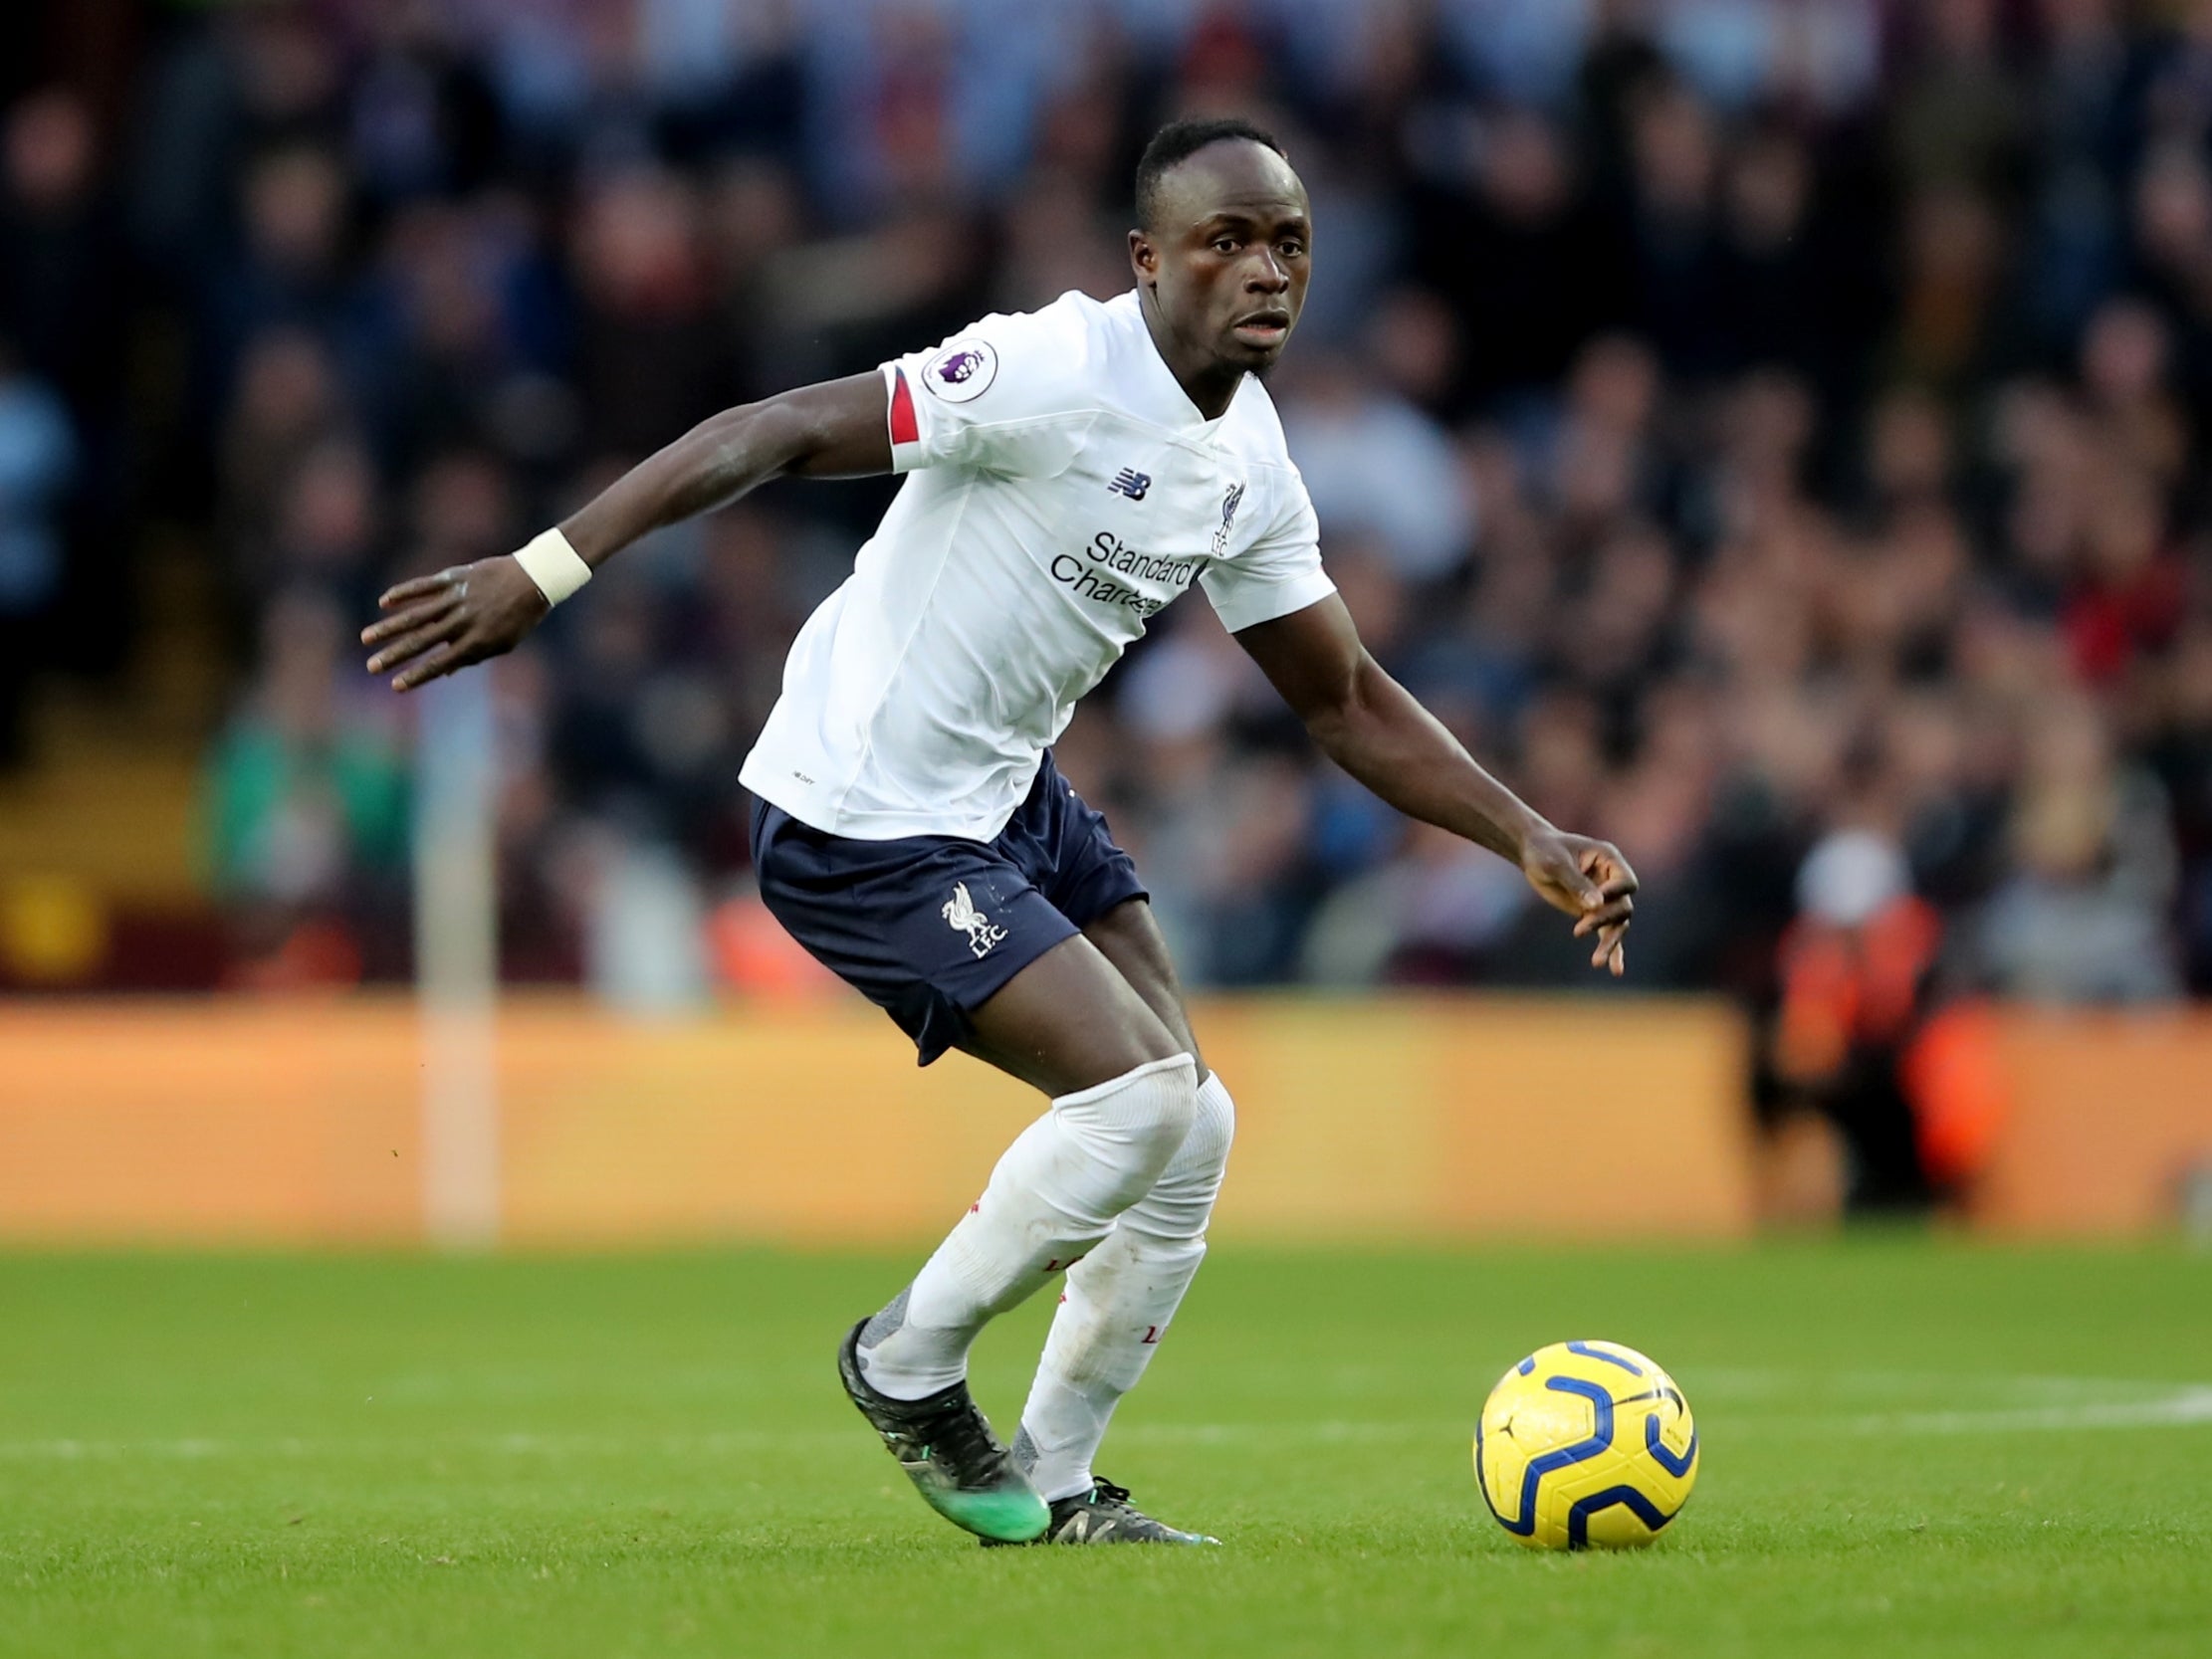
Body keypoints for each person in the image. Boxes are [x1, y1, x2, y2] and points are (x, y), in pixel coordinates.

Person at [360, 118, 1638, 1548]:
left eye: (1286, 242)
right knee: (1141, 1097)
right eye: (1223, 241)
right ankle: (903, 1361)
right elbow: (767, 432)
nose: (1263, 270)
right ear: (1147, 262)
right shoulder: (1046, 371)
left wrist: (1528, 834)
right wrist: (545, 572)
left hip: (999, 793)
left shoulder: (1248, 462)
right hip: (861, 809)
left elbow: (1340, 698)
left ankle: (1061, 1481)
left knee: (1192, 1123)